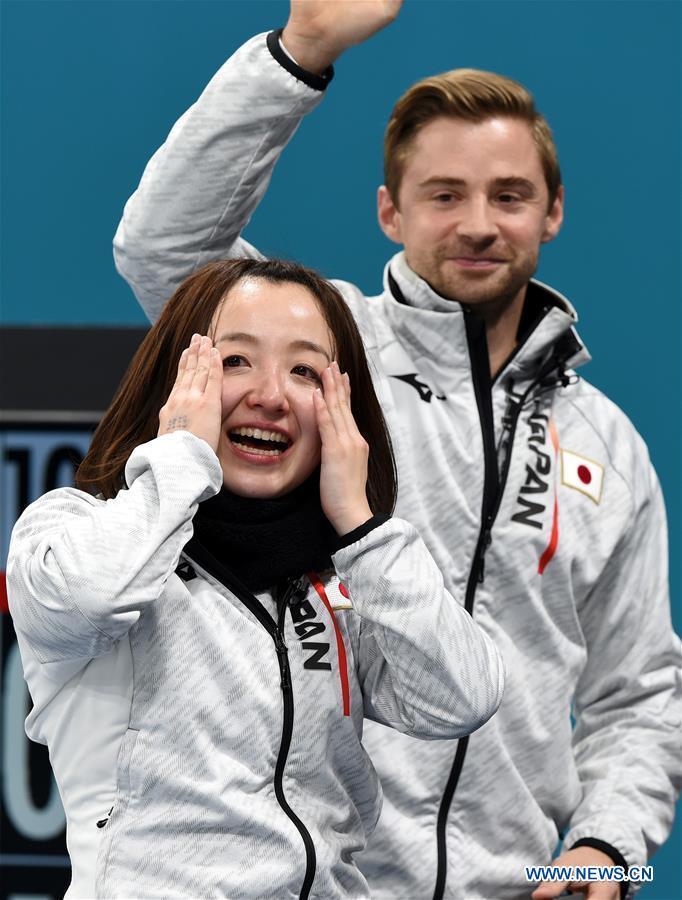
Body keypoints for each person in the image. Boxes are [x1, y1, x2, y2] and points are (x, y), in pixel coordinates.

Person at [112, 2, 682, 898]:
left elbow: (641, 695)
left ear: (554, 212)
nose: (479, 225)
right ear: (390, 210)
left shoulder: (607, 443)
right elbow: (160, 247)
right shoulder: (320, 359)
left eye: (509, 195)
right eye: (444, 195)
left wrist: (606, 851)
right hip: (314, 881)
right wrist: (299, 56)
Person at [7, 257, 504, 900]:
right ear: (177, 380)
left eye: (304, 371)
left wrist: (359, 522)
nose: (270, 396)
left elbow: (461, 698)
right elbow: (93, 595)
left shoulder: (350, 574)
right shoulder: (69, 529)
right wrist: (182, 455)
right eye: (235, 361)